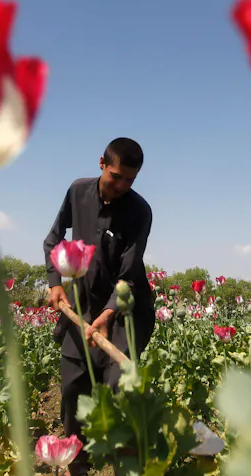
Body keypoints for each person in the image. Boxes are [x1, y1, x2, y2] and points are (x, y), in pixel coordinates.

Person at [43, 137, 155, 475]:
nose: (121, 185)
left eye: (129, 180)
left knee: (118, 395)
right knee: (72, 390)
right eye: (116, 176)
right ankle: (77, 464)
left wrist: (107, 314)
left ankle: (126, 465)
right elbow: (53, 239)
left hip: (123, 313)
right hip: (80, 308)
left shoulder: (139, 211)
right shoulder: (78, 192)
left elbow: (129, 274)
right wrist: (55, 284)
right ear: (102, 163)